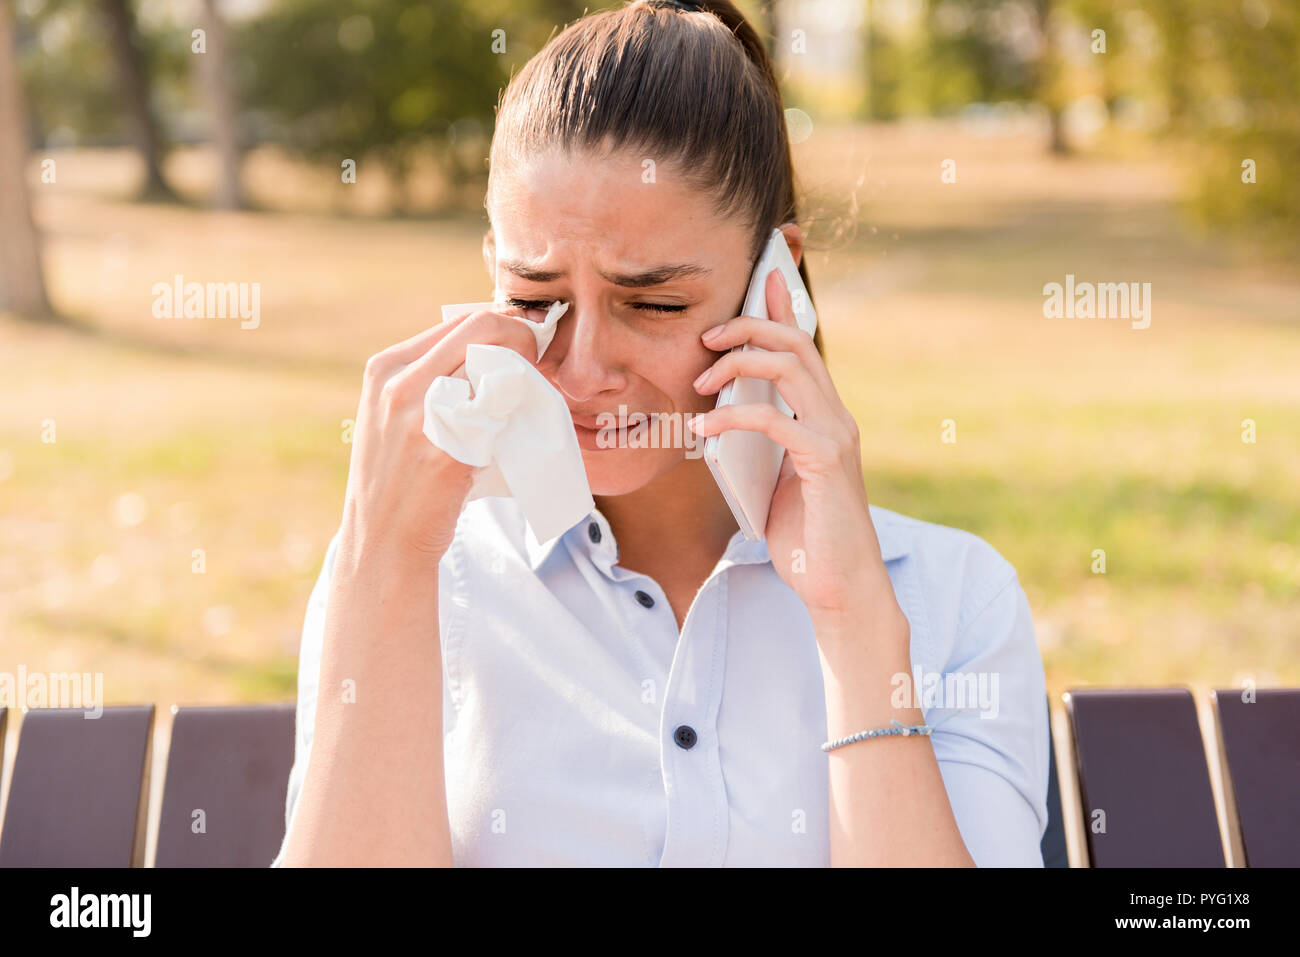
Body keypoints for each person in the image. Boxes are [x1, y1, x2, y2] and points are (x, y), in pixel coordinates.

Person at [273, 0, 1049, 867]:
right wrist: (383, 562)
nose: (582, 369)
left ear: (776, 283)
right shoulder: (420, 579)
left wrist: (854, 622)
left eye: (653, 303)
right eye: (536, 299)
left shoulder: (953, 603)